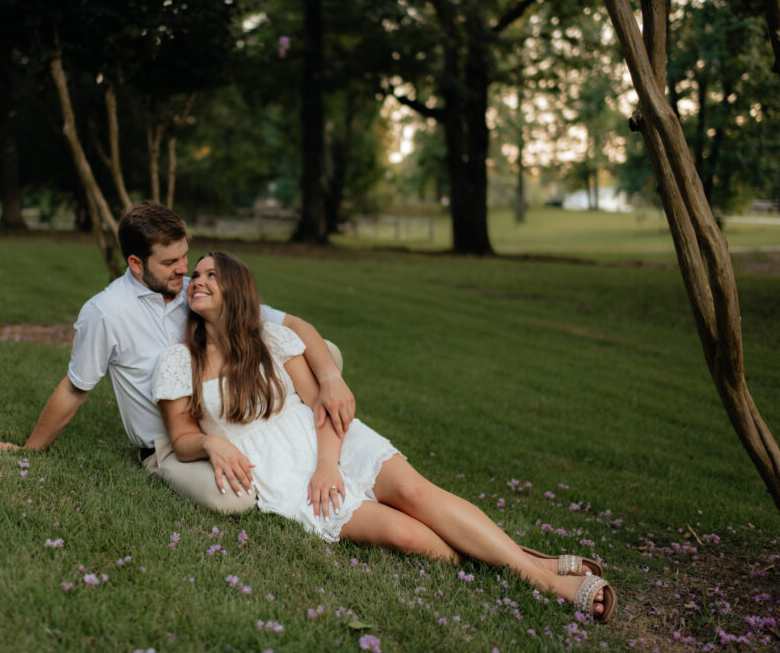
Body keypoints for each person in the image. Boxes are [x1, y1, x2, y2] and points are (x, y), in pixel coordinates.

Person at [152, 252, 617, 622]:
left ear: (237, 288)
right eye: (194, 275)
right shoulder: (179, 361)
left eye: (210, 273)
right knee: (409, 537)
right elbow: (182, 436)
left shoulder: (270, 339)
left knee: (416, 492)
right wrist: (212, 443)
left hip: (330, 444)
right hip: (281, 474)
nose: (196, 279)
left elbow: (323, 408)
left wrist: (328, 464)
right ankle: (534, 561)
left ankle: (546, 582)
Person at [0, 202, 355, 515]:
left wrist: (330, 378)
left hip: (232, 418)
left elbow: (293, 324)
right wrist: (30, 450)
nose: (185, 269)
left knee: (326, 353)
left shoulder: (196, 291)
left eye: (184, 256)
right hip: (172, 444)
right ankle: (284, 457)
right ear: (136, 263)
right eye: (170, 262)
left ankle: (312, 443)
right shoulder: (105, 313)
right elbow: (74, 389)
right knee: (234, 499)